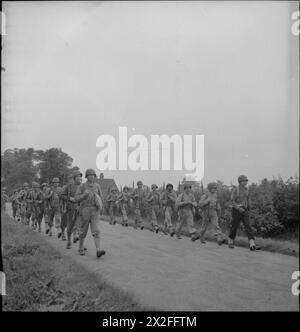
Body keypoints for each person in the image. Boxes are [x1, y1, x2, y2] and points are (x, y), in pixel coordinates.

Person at [75, 168, 106, 258]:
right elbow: (76, 198)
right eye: (90, 175)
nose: (92, 177)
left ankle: (98, 250)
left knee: (96, 230)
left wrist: (102, 207)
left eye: (93, 175)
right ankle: (80, 247)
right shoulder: (82, 186)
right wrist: (84, 195)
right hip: (85, 210)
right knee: (83, 231)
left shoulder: (97, 186)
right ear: (86, 177)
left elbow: (101, 197)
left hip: (95, 210)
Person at [228, 175, 260, 251]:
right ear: (240, 181)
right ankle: (230, 241)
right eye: (244, 180)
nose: (246, 182)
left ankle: (252, 244)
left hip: (245, 210)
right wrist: (239, 208)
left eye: (246, 180)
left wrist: (249, 209)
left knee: (248, 226)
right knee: (234, 226)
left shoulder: (247, 190)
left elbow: (248, 199)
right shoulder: (235, 190)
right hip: (236, 210)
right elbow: (232, 202)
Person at [61, 170, 83, 249]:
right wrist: (69, 198)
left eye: (80, 177)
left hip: (80, 208)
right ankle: (69, 240)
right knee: (70, 225)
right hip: (70, 208)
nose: (79, 178)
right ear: (74, 178)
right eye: (77, 177)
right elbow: (62, 195)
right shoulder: (68, 186)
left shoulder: (83, 186)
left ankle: (79, 242)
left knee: (79, 224)